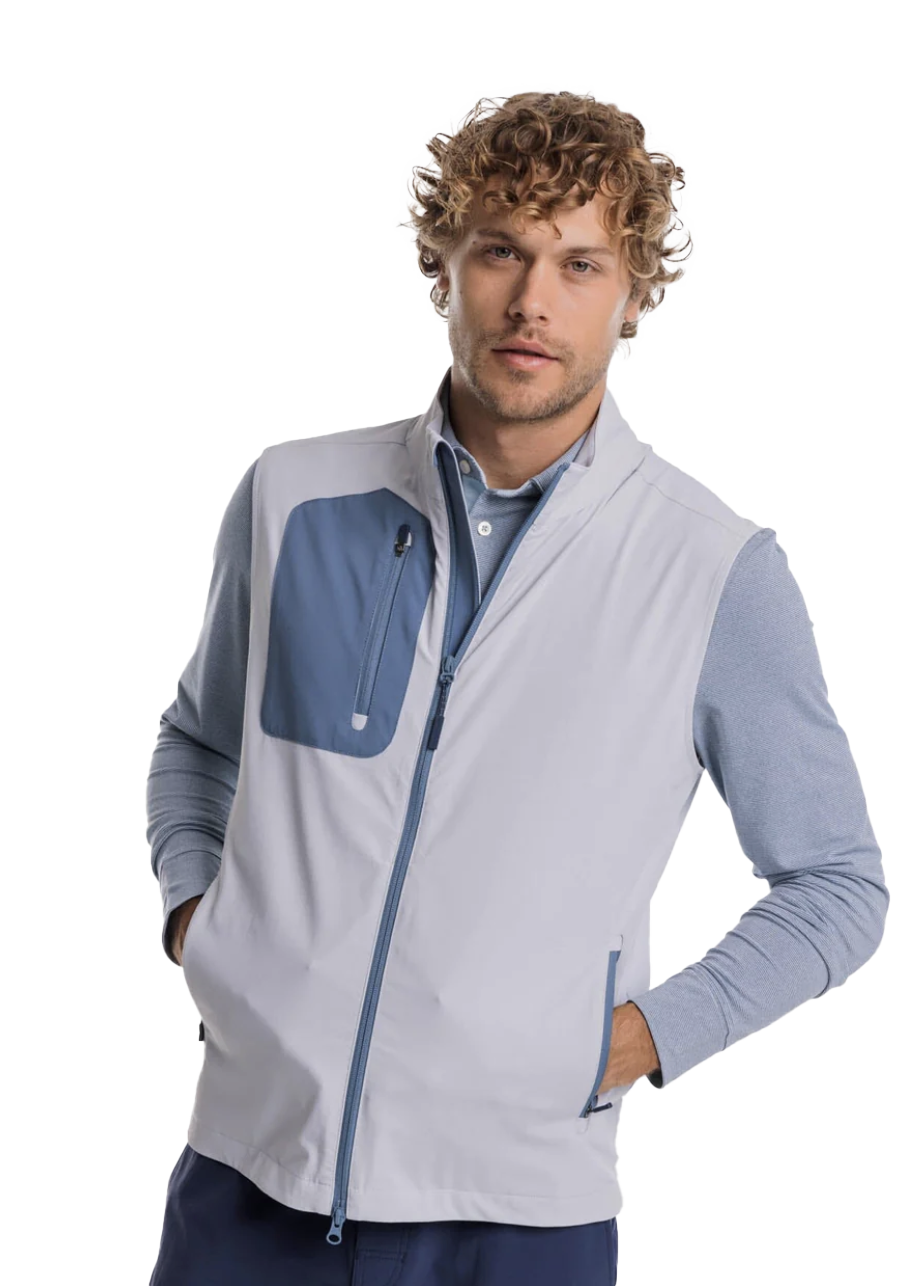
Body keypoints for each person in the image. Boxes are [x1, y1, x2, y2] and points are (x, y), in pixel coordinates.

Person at [146, 89, 889, 1285]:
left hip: (516, 1217)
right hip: (245, 1176)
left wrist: (627, 1042)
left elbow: (836, 884)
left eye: (579, 263)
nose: (532, 300)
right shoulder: (292, 497)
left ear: (633, 293)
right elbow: (197, 739)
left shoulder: (709, 568)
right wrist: (201, 920)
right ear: (441, 264)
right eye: (499, 249)